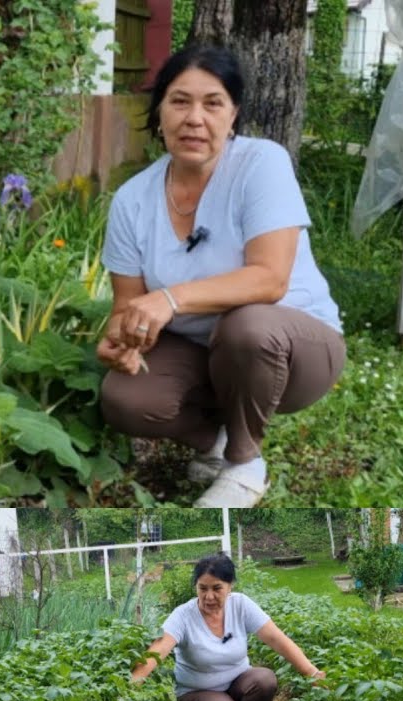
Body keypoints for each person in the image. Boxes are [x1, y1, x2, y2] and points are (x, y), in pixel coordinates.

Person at [96, 45, 345, 507]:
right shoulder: (132, 200)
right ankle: (217, 445)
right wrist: (121, 339)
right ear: (159, 112)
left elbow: (270, 280)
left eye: (212, 103)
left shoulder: (260, 163)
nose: (195, 118)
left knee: (248, 325)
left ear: (234, 115)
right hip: (202, 354)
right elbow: (125, 305)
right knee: (124, 398)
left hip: (295, 351)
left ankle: (245, 465)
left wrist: (169, 299)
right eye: (179, 101)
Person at [130, 554, 323, 701]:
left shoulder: (241, 605)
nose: (209, 596)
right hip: (198, 692)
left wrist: (313, 674)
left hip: (237, 683)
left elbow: (276, 639)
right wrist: (131, 687)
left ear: (230, 586)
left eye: (217, 588)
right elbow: (158, 650)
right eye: (202, 588)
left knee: (265, 679)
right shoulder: (183, 615)